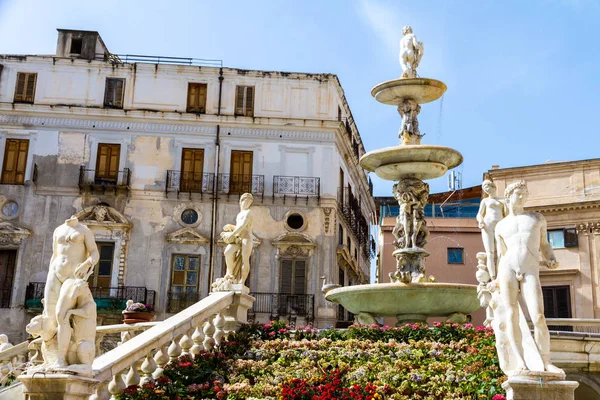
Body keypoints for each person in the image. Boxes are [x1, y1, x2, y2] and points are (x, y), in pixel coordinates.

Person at [494, 181, 562, 374]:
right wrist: (497, 279)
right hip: (507, 268)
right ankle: (520, 361)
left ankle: (546, 361)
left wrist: (551, 258)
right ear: (508, 197)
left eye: (525, 193)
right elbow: (501, 254)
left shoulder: (536, 218)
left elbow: (545, 244)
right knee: (511, 315)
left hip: (530, 268)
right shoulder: (500, 226)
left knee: (539, 316)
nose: (523, 197)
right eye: (519, 193)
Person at [42, 216, 99, 343]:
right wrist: (49, 274)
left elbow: (95, 252)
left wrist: (87, 264)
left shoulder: (84, 230)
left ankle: (61, 358)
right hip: (55, 272)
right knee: (48, 315)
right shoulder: (58, 230)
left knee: (61, 315)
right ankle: (49, 354)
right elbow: (55, 254)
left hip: (73, 276)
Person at [476, 180, 507, 279]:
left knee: (501, 251)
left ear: (493, 187)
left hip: (500, 225)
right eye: (484, 188)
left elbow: (507, 214)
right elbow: (479, 214)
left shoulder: (503, 201)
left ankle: (501, 275)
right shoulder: (485, 201)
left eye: (486, 186)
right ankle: (493, 277)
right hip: (487, 225)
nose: (485, 189)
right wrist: (480, 221)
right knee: (490, 252)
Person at [221, 193, 254, 285]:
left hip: (246, 238)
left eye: (249, 202)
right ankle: (230, 274)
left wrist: (232, 233)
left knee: (245, 259)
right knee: (227, 252)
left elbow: (243, 226)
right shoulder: (239, 214)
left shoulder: (249, 212)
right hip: (238, 238)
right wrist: (231, 226)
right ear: (241, 201)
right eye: (245, 201)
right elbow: (239, 227)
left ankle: (242, 282)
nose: (247, 203)